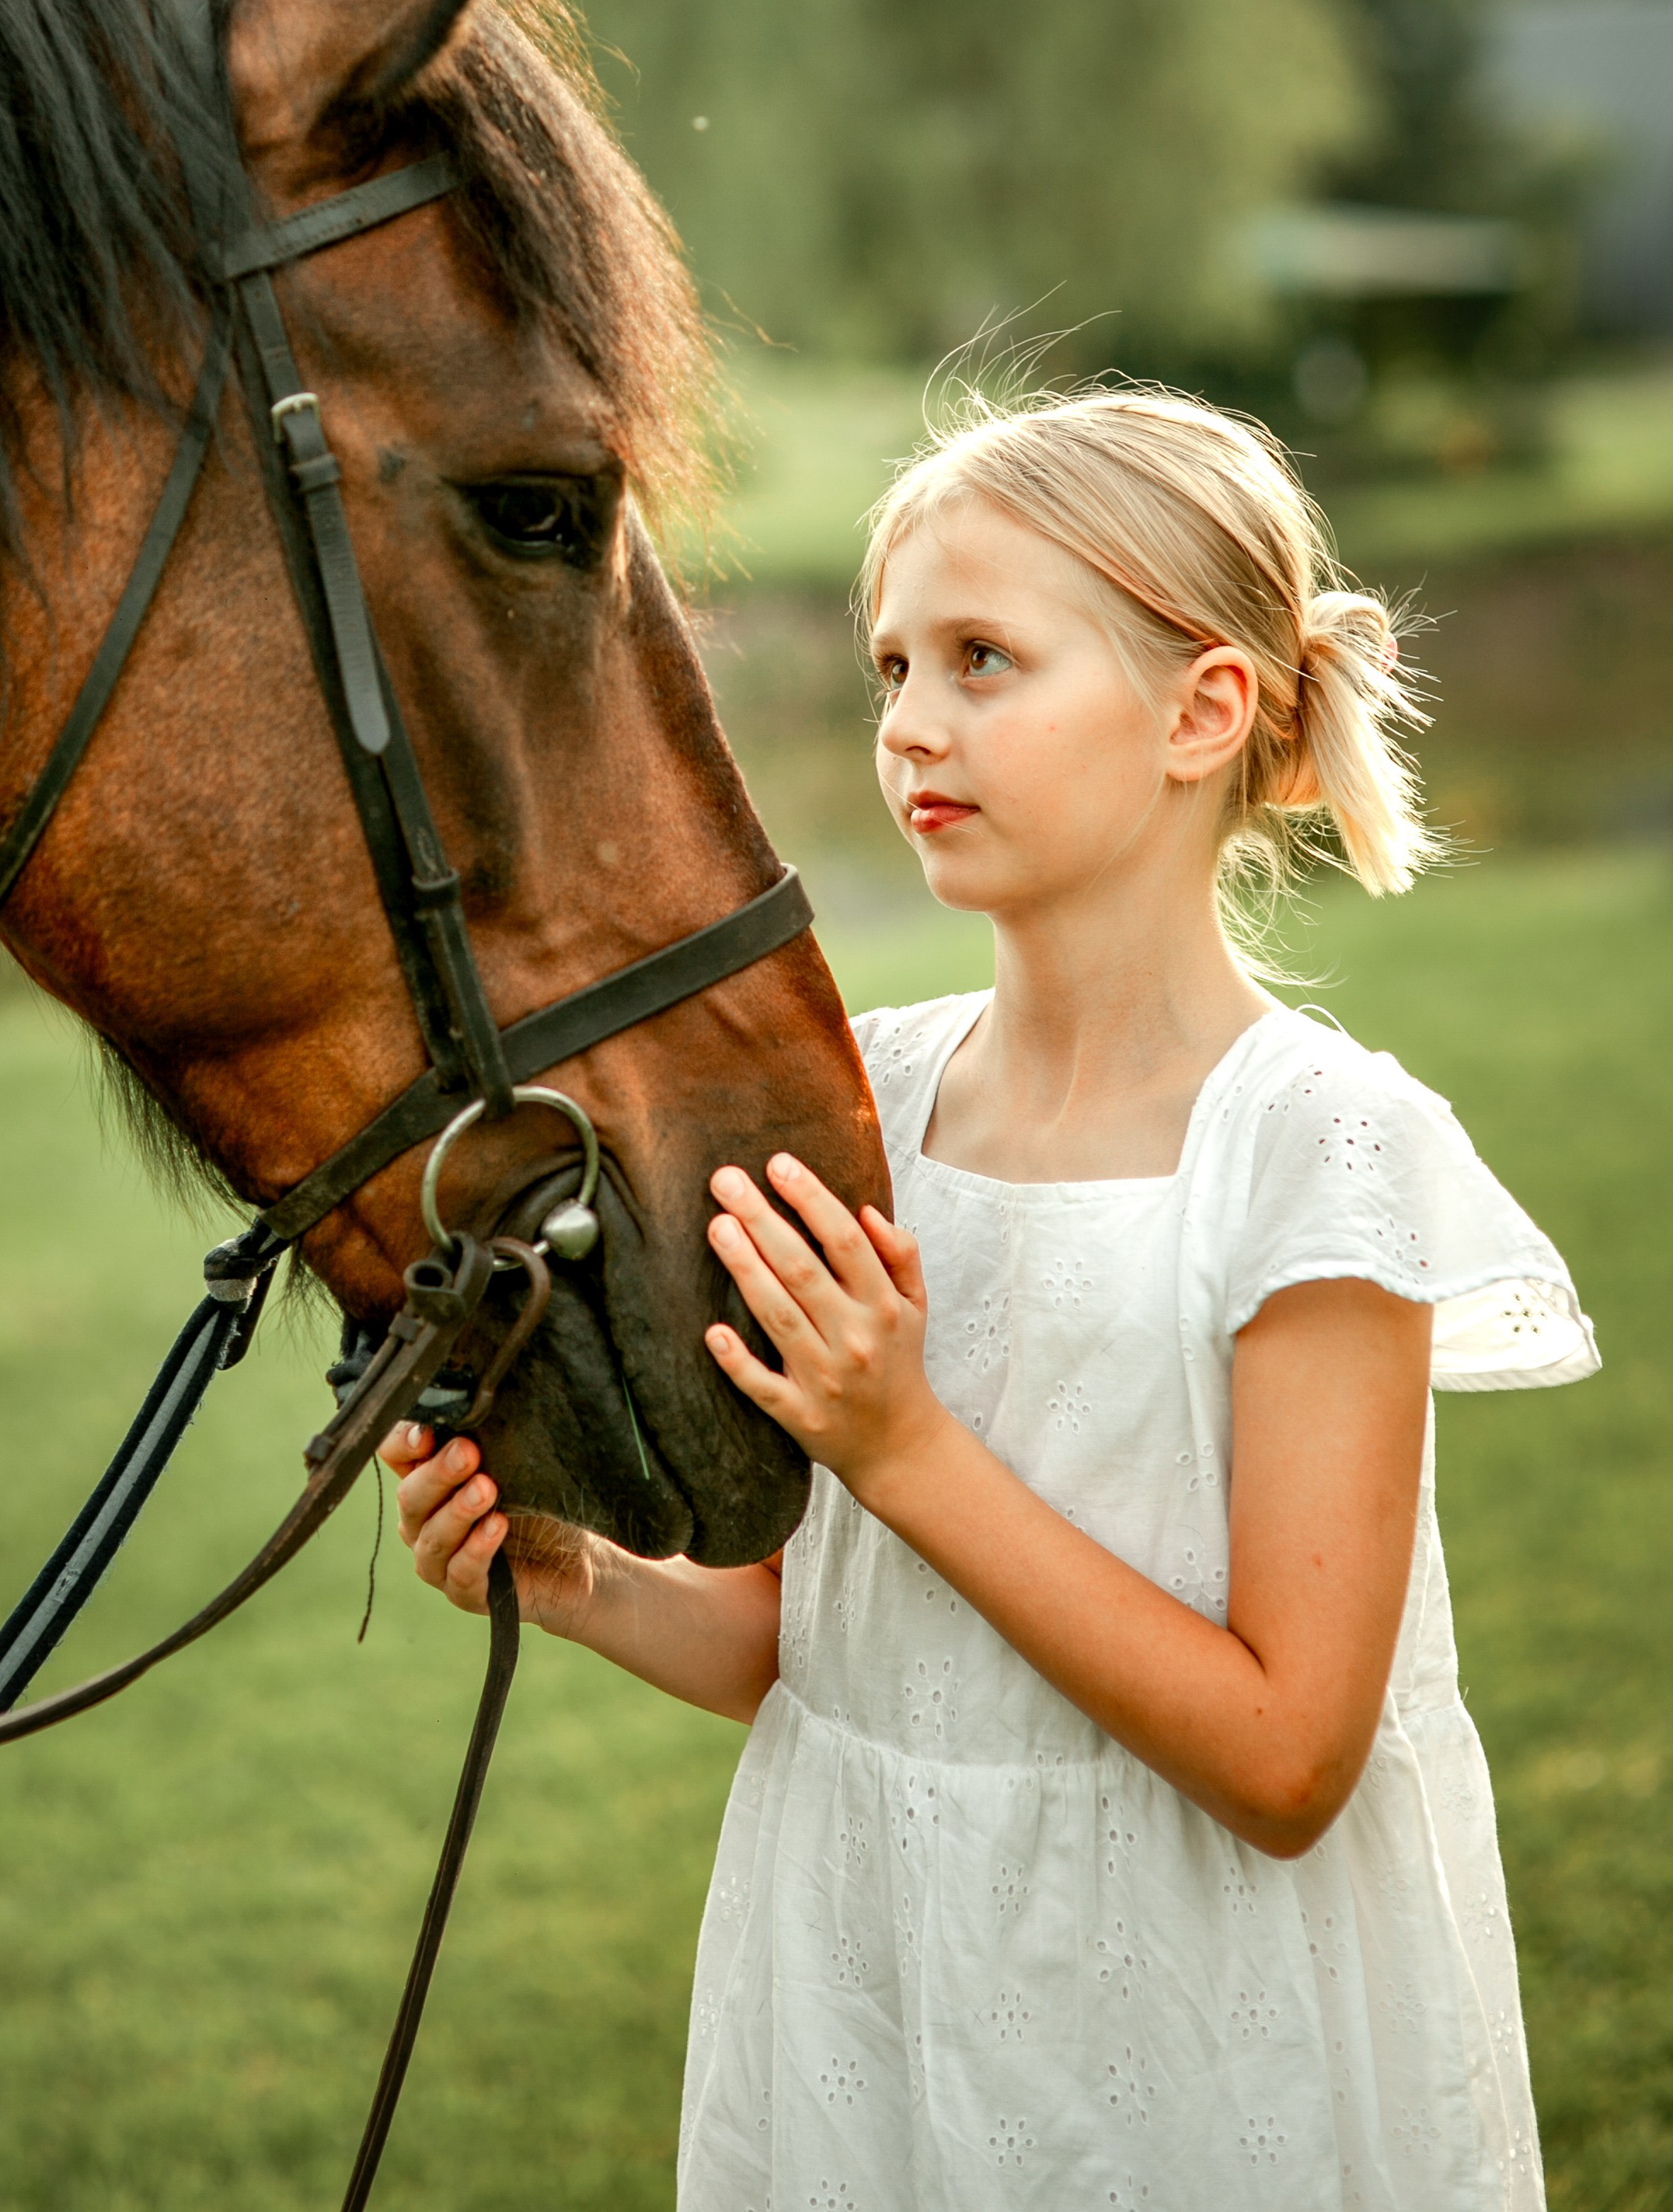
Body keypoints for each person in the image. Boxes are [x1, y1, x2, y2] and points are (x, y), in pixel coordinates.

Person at [383, 385, 1597, 2211]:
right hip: (876, 1963)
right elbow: (826, 1649)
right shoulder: (853, 1107)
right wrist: (566, 1571)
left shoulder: (1310, 1155)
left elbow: (1284, 1760)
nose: (908, 727)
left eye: (979, 660)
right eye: (888, 669)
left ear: (1202, 711)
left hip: (1190, 2006)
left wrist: (903, 1444)